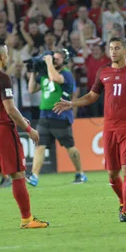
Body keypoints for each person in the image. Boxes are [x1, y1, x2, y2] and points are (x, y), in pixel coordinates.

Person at [54, 37, 126, 222]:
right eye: (111, 48)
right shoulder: (103, 71)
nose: (113, 51)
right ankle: (122, 201)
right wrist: (72, 103)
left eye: (117, 48)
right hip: (109, 126)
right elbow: (92, 96)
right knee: (112, 173)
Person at [0, 41, 48, 232]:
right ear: (3, 57)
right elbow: (10, 110)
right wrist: (29, 129)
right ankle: (27, 219)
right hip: (1, 131)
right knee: (18, 174)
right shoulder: (3, 78)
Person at [26, 49, 87, 186]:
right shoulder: (46, 73)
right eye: (53, 58)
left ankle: (80, 173)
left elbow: (55, 78)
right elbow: (31, 89)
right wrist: (33, 72)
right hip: (44, 115)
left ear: (64, 61)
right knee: (39, 146)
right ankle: (34, 176)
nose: (54, 61)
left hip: (60, 116)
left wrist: (48, 62)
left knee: (70, 146)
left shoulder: (66, 74)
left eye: (57, 59)